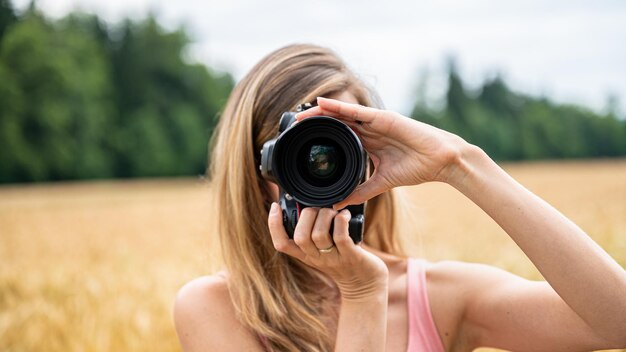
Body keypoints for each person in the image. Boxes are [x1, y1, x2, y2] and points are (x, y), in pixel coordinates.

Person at [173, 44, 626, 351]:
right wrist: (361, 293)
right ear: (256, 170)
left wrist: (460, 162)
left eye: (341, 146)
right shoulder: (216, 309)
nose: (320, 166)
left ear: (371, 156)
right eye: (299, 152)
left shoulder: (438, 297)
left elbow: (617, 321)